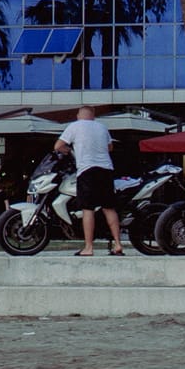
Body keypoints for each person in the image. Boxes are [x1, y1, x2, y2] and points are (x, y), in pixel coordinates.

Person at [54, 106, 123, 256]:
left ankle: (89, 247)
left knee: (88, 209)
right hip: (106, 170)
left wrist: (69, 150)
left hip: (87, 170)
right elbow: (110, 147)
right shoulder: (102, 127)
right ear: (93, 116)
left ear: (78, 115)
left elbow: (58, 146)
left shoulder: (74, 126)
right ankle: (118, 244)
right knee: (109, 208)